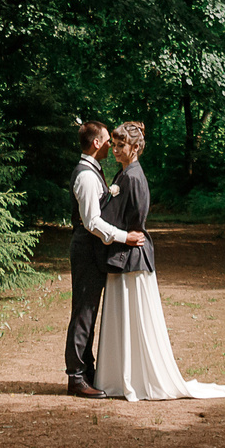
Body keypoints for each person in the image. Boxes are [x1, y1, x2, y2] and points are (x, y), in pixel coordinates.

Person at [94, 121, 225, 402]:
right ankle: (120, 376)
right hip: (123, 252)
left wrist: (116, 232)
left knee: (133, 317)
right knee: (123, 317)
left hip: (131, 256)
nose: (116, 150)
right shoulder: (123, 174)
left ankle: (133, 378)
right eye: (115, 144)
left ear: (135, 147)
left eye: (121, 145)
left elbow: (135, 218)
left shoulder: (133, 177)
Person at [66, 120, 143, 399]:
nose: (111, 144)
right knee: (83, 312)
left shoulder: (93, 170)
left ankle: (87, 372)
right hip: (86, 250)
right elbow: (92, 222)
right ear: (96, 143)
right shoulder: (86, 176)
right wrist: (125, 237)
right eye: (107, 140)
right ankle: (76, 377)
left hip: (92, 250)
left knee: (89, 311)